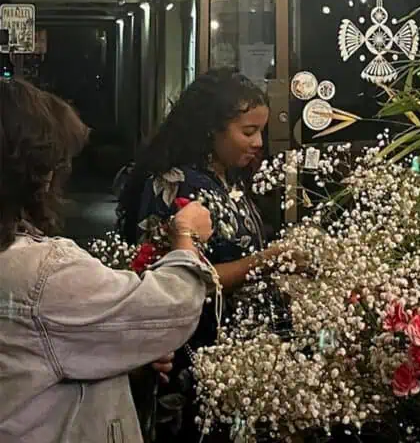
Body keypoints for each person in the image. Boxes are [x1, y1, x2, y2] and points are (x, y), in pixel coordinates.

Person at [0, 78, 217, 443]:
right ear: (36, 172)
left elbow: (34, 355)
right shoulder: (41, 273)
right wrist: (187, 237)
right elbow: (171, 308)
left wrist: (118, 351)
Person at [117, 69, 291, 442]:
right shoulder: (175, 184)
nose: (259, 142)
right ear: (211, 129)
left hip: (236, 357)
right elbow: (174, 280)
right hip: (190, 359)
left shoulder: (231, 180)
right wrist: (264, 262)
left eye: (261, 131)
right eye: (248, 132)